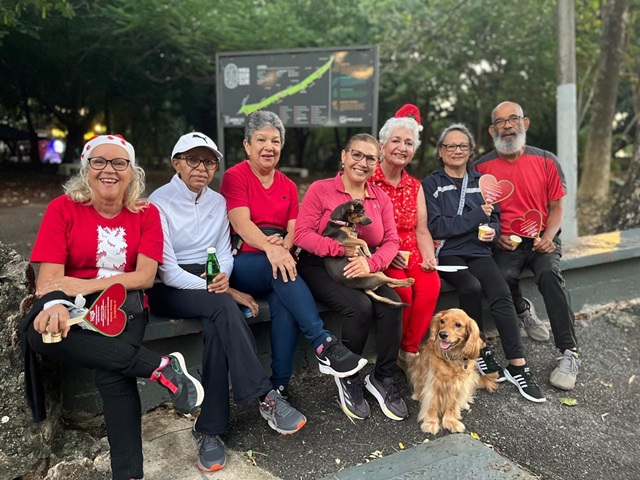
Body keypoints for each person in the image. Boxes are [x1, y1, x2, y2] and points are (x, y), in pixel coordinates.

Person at [20, 134, 204, 480]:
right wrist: (55, 305)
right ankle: (161, 367)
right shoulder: (63, 208)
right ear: (86, 169)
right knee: (37, 332)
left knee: (112, 374)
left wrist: (86, 285)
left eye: (119, 163)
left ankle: (128, 474)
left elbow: (146, 276)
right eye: (99, 162)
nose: (109, 170)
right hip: (73, 305)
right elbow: (50, 280)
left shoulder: (146, 213)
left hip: (124, 305)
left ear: (131, 172)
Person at [148, 132, 309, 472]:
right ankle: (265, 395)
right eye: (193, 159)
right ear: (176, 163)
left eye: (209, 161)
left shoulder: (217, 202)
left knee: (216, 320)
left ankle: (209, 429)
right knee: (221, 305)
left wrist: (222, 279)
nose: (202, 168)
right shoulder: (158, 203)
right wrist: (220, 289)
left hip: (210, 281)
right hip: (169, 286)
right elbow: (167, 269)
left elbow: (224, 252)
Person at [220, 111, 367, 398]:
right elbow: (241, 223)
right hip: (246, 258)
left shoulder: (287, 184)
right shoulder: (235, 176)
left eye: (275, 141)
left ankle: (280, 385)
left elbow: (294, 229)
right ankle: (322, 342)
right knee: (282, 270)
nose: (269, 147)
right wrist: (271, 247)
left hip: (280, 259)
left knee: (284, 301)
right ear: (247, 145)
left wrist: (284, 246)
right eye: (261, 139)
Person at [423, 124, 545, 403]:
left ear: (470, 152)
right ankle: (478, 351)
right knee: (470, 287)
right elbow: (437, 226)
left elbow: (494, 220)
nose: (457, 151)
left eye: (462, 146)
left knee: (502, 294)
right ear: (441, 152)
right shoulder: (431, 184)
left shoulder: (483, 182)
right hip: (449, 253)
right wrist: (476, 216)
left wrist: (492, 232)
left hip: (479, 251)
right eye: (450, 146)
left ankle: (518, 365)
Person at [295, 133, 409, 421]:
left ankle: (382, 378)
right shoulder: (321, 190)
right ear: (344, 156)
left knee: (391, 303)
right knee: (359, 307)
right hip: (320, 265)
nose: (363, 162)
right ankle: (349, 376)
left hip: (363, 266)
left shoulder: (379, 197)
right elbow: (302, 235)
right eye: (356, 155)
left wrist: (371, 264)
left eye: (370, 158)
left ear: (377, 163)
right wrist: (340, 249)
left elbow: (392, 242)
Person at [475, 101, 580, 390]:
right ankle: (523, 310)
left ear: (526, 123)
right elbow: (475, 215)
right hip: (505, 243)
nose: (507, 126)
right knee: (502, 277)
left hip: (542, 239)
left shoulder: (546, 160)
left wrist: (549, 235)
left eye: (513, 119)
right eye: (500, 122)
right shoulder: (480, 168)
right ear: (491, 130)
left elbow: (557, 207)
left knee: (549, 275)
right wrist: (496, 237)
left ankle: (569, 352)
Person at [371, 104, 441, 373]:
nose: (402, 147)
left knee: (431, 283)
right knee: (402, 290)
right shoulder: (369, 179)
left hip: (412, 249)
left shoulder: (414, 185)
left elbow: (421, 229)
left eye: (409, 143)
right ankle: (393, 348)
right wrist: (386, 252)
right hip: (381, 250)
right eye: (396, 141)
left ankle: (408, 350)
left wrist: (429, 257)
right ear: (382, 145)